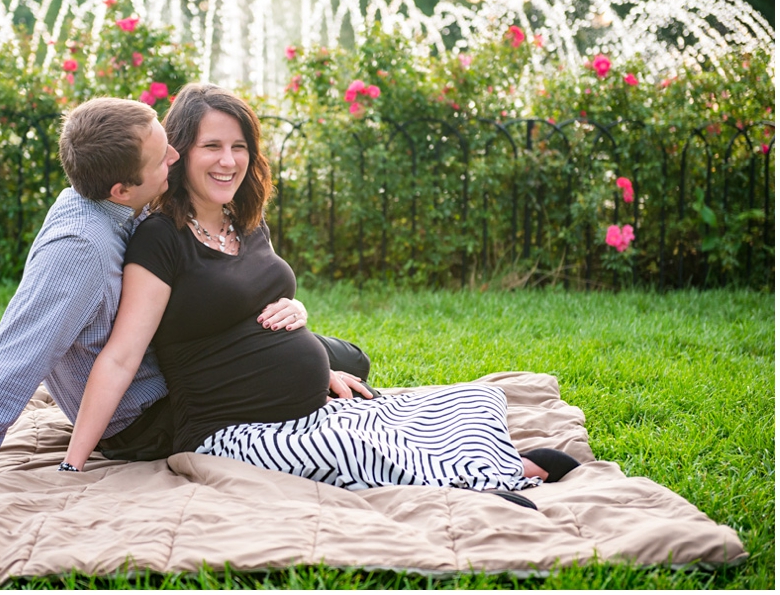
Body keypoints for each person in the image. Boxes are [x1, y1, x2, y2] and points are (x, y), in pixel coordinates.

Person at [61, 85, 579, 505]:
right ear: (179, 153)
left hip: (295, 400)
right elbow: (123, 354)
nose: (228, 161)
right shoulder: (161, 238)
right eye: (211, 146)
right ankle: (486, 484)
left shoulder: (243, 218)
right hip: (224, 426)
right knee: (355, 450)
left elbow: (246, 305)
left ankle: (486, 463)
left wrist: (306, 336)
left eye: (239, 146)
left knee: (422, 410)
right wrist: (73, 464)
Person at [0, 97, 371, 482]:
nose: (176, 157)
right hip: (147, 414)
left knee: (349, 359)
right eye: (163, 157)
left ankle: (311, 364)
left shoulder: (114, 202)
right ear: (122, 188)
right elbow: (16, 357)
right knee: (321, 364)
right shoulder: (79, 250)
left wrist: (290, 317)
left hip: (188, 362)